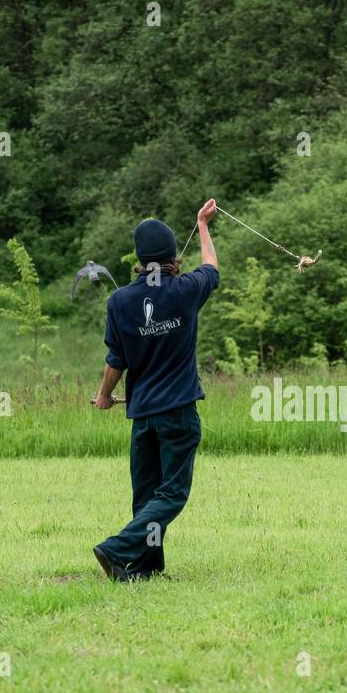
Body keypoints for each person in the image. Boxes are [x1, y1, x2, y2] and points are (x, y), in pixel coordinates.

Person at [91, 199, 220, 581]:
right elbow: (212, 266)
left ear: (139, 258)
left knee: (147, 496)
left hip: (142, 415)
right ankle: (116, 549)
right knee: (172, 494)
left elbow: (117, 360)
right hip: (178, 412)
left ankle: (145, 567)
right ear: (171, 257)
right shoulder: (186, 290)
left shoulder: (119, 301)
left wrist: (102, 396)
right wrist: (202, 225)